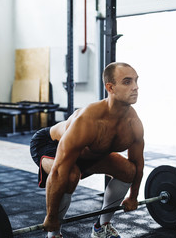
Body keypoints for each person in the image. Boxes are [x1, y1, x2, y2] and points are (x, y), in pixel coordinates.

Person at [30, 62, 145, 238]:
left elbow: (137, 163)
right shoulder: (88, 121)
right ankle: (54, 235)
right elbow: (59, 171)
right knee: (70, 175)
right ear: (110, 87)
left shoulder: (134, 124)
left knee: (128, 171)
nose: (136, 87)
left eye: (136, 81)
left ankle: (101, 227)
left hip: (91, 154)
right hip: (50, 143)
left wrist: (133, 196)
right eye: (127, 82)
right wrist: (51, 217)